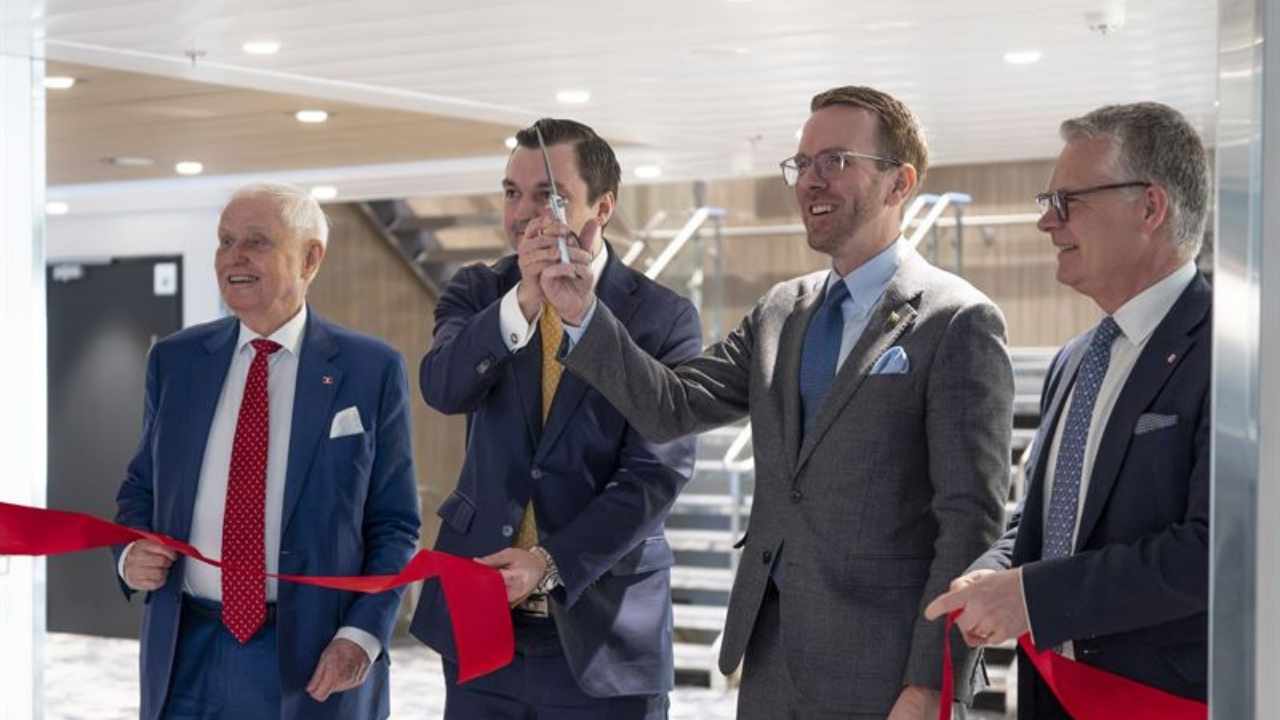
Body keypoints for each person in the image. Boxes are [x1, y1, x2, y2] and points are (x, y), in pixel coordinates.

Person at [542, 86, 1013, 719]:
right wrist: (582, 312)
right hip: (770, 661)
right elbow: (671, 406)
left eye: (836, 161)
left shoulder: (957, 320)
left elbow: (969, 522)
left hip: (885, 674)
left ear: (899, 183)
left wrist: (933, 679)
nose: (811, 180)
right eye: (802, 163)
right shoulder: (781, 312)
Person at [408, 118, 702, 720]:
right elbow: (443, 388)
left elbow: (656, 474)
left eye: (549, 195)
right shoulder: (478, 291)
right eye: (511, 193)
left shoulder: (663, 319)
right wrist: (523, 299)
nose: (522, 213)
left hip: (604, 633)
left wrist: (550, 562)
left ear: (603, 207)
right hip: (481, 621)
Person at [925, 101, 1211, 718]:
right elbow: (1046, 521)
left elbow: (1213, 551)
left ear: (1150, 208)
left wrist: (1030, 597)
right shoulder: (1077, 358)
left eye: (1067, 201)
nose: (1046, 223)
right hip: (1049, 695)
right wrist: (992, 573)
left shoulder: (1233, 356)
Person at [114, 182, 421, 720]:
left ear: (310, 258)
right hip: (187, 649)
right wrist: (128, 553)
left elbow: (394, 524)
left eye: (256, 241)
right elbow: (141, 488)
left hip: (316, 652)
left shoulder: (370, 369)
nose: (234, 256)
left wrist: (362, 634)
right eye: (225, 241)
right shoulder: (176, 362)